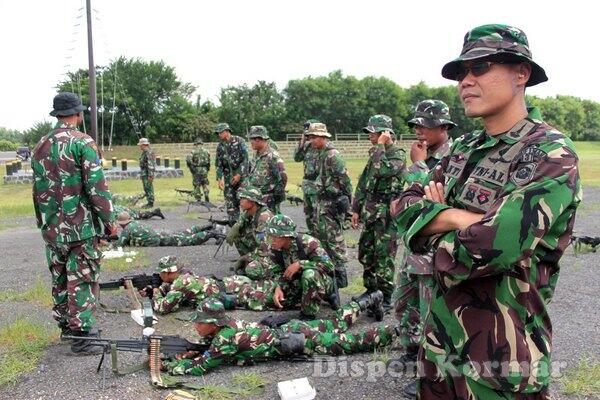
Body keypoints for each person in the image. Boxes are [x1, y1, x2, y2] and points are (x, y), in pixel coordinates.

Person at [391, 24, 581, 399]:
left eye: (481, 67)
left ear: (520, 73)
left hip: (499, 363)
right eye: (462, 72)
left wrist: (433, 222)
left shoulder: (550, 153)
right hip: (438, 353)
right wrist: (460, 218)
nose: (466, 81)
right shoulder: (462, 148)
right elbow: (402, 206)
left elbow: (495, 246)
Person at [32, 92, 117, 354]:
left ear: (57, 115)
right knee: (81, 276)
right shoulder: (82, 143)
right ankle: (82, 337)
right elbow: (97, 188)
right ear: (78, 114)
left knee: (59, 277)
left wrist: (43, 222)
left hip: (52, 227)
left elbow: (37, 190)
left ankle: (68, 329)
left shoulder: (40, 145)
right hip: (80, 226)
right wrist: (109, 222)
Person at [390, 100, 456, 397]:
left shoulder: (454, 156)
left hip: (434, 248)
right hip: (413, 245)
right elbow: (406, 200)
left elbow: (429, 196)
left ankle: (435, 379)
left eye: (425, 126)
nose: (419, 131)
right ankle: (412, 351)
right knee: (405, 303)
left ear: (443, 127)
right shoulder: (425, 155)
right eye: (416, 125)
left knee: (433, 314)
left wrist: (417, 164)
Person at [165, 295, 392, 376]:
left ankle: (397, 333)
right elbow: (209, 347)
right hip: (290, 330)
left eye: (200, 321)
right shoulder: (229, 325)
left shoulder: (224, 340)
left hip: (297, 340)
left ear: (213, 323)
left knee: (349, 343)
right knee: (335, 322)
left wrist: (171, 367)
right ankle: (367, 300)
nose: (195, 324)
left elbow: (200, 367)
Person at [351, 114, 407, 311]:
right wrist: (356, 209)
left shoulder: (397, 155)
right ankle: (371, 290)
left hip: (386, 216)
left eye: (372, 132)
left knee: (384, 256)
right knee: (366, 252)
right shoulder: (375, 152)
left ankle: (386, 296)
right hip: (371, 212)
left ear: (385, 133)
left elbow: (381, 171)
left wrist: (380, 146)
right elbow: (364, 182)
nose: (369, 136)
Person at [242, 214, 342, 318]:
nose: (271, 240)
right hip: (296, 282)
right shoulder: (276, 248)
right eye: (270, 235)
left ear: (286, 235)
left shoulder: (308, 243)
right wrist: (278, 286)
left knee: (310, 274)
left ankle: (308, 314)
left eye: (275, 236)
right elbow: (278, 271)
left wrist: (301, 264)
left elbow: (329, 266)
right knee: (267, 298)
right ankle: (303, 298)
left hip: (321, 281)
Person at [306, 122, 352, 289]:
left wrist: (348, 206)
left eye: (314, 137)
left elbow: (345, 180)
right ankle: (328, 275)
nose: (311, 140)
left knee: (333, 240)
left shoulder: (333, 155)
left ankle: (341, 276)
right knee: (322, 238)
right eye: (310, 137)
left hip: (332, 203)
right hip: (322, 202)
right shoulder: (320, 153)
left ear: (322, 137)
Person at [243, 125, 287, 213]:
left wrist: (275, 197)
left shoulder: (272, 156)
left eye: (253, 139)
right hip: (256, 198)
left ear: (260, 139)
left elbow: (283, 177)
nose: (251, 142)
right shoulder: (256, 155)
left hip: (268, 200)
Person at [115, 212, 222, 247]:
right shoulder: (135, 223)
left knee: (187, 240)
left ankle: (210, 233)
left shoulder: (127, 229)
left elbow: (120, 245)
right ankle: (206, 226)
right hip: (158, 234)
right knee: (184, 232)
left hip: (159, 239)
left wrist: (107, 244)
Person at [215, 123, 248, 224]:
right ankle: (234, 225)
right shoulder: (220, 146)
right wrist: (219, 179)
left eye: (220, 132)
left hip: (242, 178)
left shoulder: (239, 141)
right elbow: (218, 164)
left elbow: (245, 159)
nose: (219, 135)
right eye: (218, 133)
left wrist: (239, 174)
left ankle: (246, 224)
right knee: (230, 204)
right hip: (228, 179)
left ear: (227, 131)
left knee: (244, 201)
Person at [225, 186, 273, 257]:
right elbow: (239, 223)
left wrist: (246, 258)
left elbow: (265, 246)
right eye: (240, 198)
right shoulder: (248, 211)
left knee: (250, 236)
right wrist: (235, 228)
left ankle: (252, 259)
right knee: (237, 233)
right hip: (259, 245)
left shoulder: (264, 217)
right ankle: (248, 258)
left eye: (244, 198)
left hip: (270, 250)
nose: (240, 201)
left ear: (253, 201)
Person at [293, 119, 320, 232]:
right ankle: (312, 237)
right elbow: (297, 158)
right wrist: (302, 142)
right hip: (307, 185)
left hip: (317, 186)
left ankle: (320, 239)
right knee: (308, 215)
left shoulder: (323, 146)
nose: (308, 136)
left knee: (318, 215)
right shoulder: (307, 146)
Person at [186, 138, 211, 202]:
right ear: (202, 144)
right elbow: (209, 161)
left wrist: (191, 167)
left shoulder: (193, 152)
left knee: (197, 184)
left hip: (196, 169)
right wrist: (207, 168)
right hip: (204, 169)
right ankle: (206, 194)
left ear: (196, 144)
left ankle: (198, 198)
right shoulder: (207, 151)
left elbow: (189, 160)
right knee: (205, 183)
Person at [138, 137, 156, 208]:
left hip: (147, 173)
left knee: (148, 187)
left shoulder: (149, 152)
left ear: (143, 145)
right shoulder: (145, 152)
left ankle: (150, 203)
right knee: (146, 187)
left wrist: (150, 175)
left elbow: (151, 164)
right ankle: (149, 201)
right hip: (144, 173)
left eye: (140, 145)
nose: (139, 146)